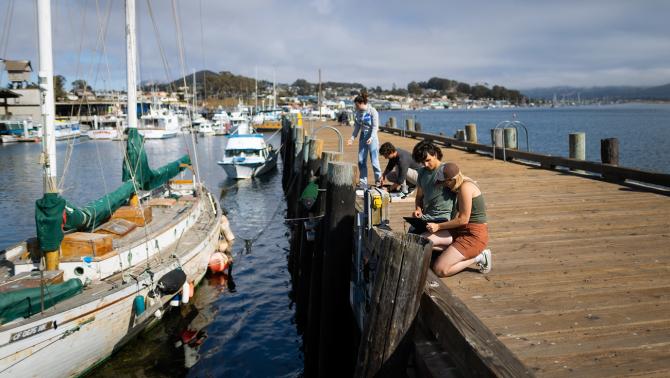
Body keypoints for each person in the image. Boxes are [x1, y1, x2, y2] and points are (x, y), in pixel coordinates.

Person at [425, 162, 491, 277]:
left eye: (443, 183)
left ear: (451, 180)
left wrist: (438, 226)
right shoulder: (458, 185)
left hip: (474, 235)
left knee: (440, 269)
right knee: (422, 240)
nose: (442, 186)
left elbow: (463, 219)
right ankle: (452, 252)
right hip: (460, 229)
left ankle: (479, 257)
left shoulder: (465, 187)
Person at [410, 141, 456, 222]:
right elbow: (419, 197)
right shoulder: (421, 172)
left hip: (443, 217)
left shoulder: (447, 171)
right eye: (422, 162)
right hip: (426, 216)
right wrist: (418, 209)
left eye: (428, 160)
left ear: (435, 155)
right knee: (410, 234)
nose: (425, 164)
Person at [347, 92, 381, 188]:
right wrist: (352, 138)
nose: (355, 107)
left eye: (356, 105)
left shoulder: (372, 111)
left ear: (361, 103)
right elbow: (357, 127)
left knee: (374, 160)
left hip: (372, 137)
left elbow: (375, 127)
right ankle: (363, 181)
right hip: (363, 136)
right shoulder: (357, 113)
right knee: (361, 160)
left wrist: (371, 137)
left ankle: (378, 180)